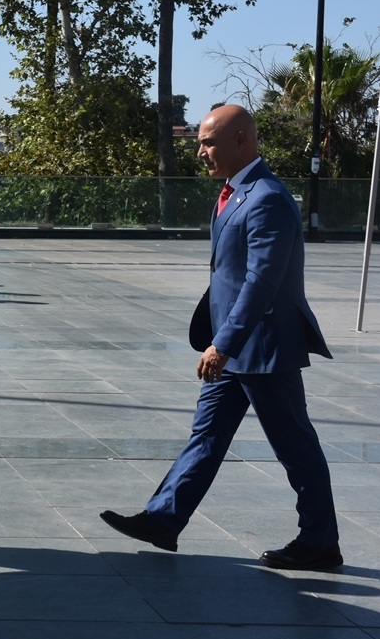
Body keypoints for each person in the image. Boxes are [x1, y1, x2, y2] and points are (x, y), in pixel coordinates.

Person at [100, 104, 341, 571]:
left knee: (294, 445)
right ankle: (162, 520)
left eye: (208, 143)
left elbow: (261, 282)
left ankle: (320, 542)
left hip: (263, 345)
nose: (201, 152)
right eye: (199, 144)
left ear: (242, 140)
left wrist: (224, 343)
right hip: (233, 347)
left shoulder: (267, 196)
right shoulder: (233, 193)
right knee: (206, 434)